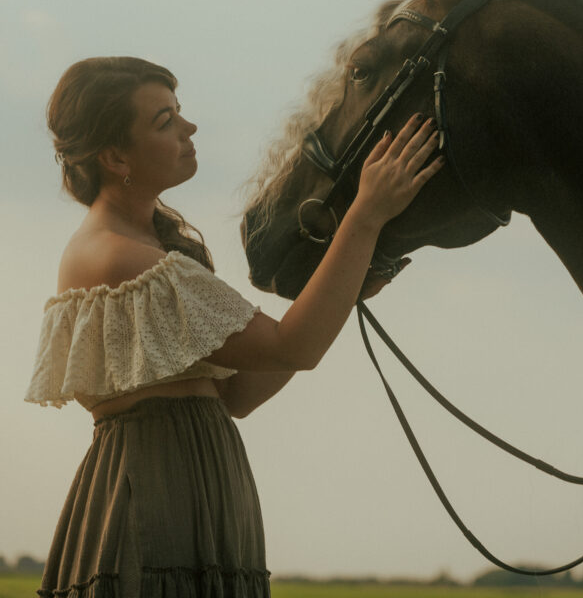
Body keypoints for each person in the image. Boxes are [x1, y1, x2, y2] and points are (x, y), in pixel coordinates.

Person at [25, 56, 443, 596]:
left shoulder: (144, 247)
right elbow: (294, 345)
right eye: (164, 120)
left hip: (199, 495)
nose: (188, 128)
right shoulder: (121, 260)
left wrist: (351, 286)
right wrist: (366, 212)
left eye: (179, 112)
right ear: (114, 155)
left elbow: (237, 393)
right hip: (155, 509)